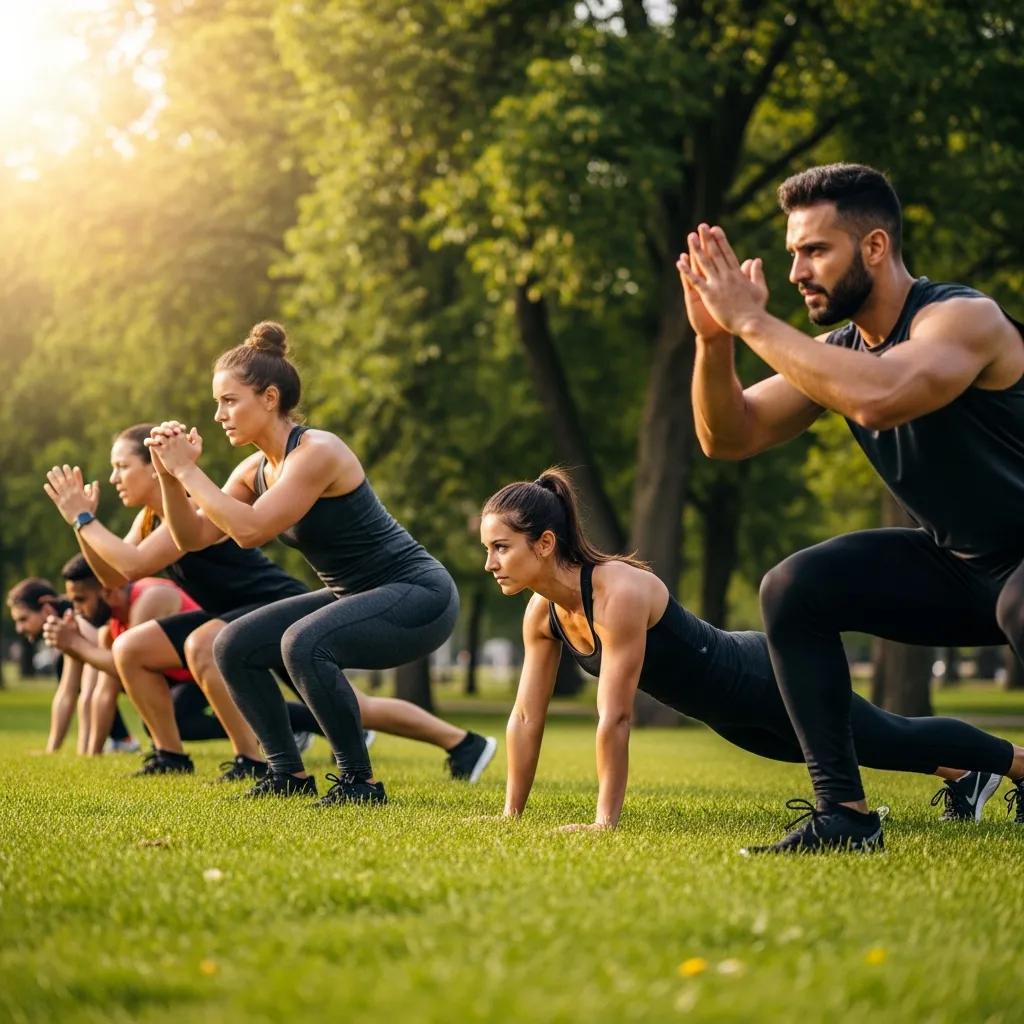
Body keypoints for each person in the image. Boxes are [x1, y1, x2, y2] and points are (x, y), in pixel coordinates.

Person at [677, 162, 1024, 851]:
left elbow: (882, 395)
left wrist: (751, 318)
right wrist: (714, 340)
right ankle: (845, 816)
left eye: (815, 251)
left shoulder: (962, 318)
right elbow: (729, 434)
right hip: (965, 568)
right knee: (795, 588)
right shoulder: (836, 352)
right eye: (792, 255)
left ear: (874, 248)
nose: (798, 271)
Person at [480, 470, 1024, 833]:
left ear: (545, 543)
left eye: (501, 547)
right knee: (872, 747)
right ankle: (966, 775)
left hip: (761, 676)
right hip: (729, 714)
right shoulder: (543, 614)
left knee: (886, 735)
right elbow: (527, 716)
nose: (491, 563)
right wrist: (511, 814)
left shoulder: (615, 591)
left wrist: (605, 823)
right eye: (489, 550)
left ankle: (1017, 765)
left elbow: (616, 715)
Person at [146, 320, 496, 803]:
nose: (219, 414)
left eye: (229, 401)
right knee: (233, 644)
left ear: (269, 398)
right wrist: (169, 476)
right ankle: (287, 773)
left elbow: (249, 532)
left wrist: (188, 468)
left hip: (419, 595)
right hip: (355, 594)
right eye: (216, 403)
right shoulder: (254, 469)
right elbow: (193, 537)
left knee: (302, 643)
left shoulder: (318, 452)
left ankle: (359, 782)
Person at [44, 426, 329, 780]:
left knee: (363, 709)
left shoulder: (188, 508)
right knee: (130, 648)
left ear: (153, 466)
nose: (114, 477)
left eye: (122, 466)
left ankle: (252, 760)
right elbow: (113, 578)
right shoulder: (147, 519)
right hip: (225, 617)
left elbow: (133, 564)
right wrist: (79, 522)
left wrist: (83, 519)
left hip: (277, 605)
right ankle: (170, 755)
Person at [43, 554, 232, 762]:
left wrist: (76, 644)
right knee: (155, 725)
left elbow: (128, 667)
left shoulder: (149, 598)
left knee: (175, 719)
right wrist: (90, 755)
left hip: (212, 668)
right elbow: (104, 693)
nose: (77, 610)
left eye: (81, 600)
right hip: (183, 676)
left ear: (109, 592)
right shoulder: (110, 627)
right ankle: (170, 754)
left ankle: (251, 728)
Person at [6, 576, 138, 754]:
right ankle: (119, 740)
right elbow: (67, 691)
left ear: (46, 609)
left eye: (23, 619)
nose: (19, 629)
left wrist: (87, 752)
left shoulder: (78, 621)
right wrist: (52, 750)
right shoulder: (70, 623)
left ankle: (122, 741)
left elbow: (89, 691)